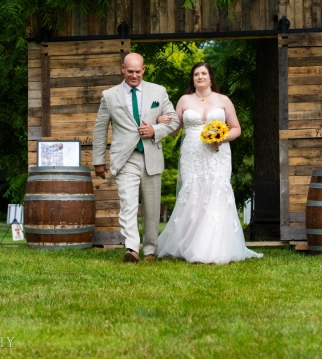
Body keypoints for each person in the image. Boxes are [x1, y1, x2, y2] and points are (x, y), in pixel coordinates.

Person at [155, 62, 263, 264]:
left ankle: (214, 246)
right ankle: (188, 243)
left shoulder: (223, 100)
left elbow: (236, 128)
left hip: (217, 153)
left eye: (203, 73)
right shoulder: (184, 100)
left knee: (216, 190)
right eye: (196, 74)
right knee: (193, 192)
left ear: (211, 77)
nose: (200, 77)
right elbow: (175, 129)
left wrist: (222, 138)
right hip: (192, 154)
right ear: (192, 78)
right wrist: (160, 120)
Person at [93, 53, 180, 263]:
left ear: (144, 69)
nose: (134, 75)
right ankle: (132, 248)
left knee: (152, 208)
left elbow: (175, 120)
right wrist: (98, 160)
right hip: (125, 158)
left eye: (137, 71)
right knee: (128, 204)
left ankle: (150, 250)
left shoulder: (158, 91)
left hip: (151, 155)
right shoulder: (109, 95)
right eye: (130, 71)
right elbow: (100, 129)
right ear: (122, 69)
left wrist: (155, 129)